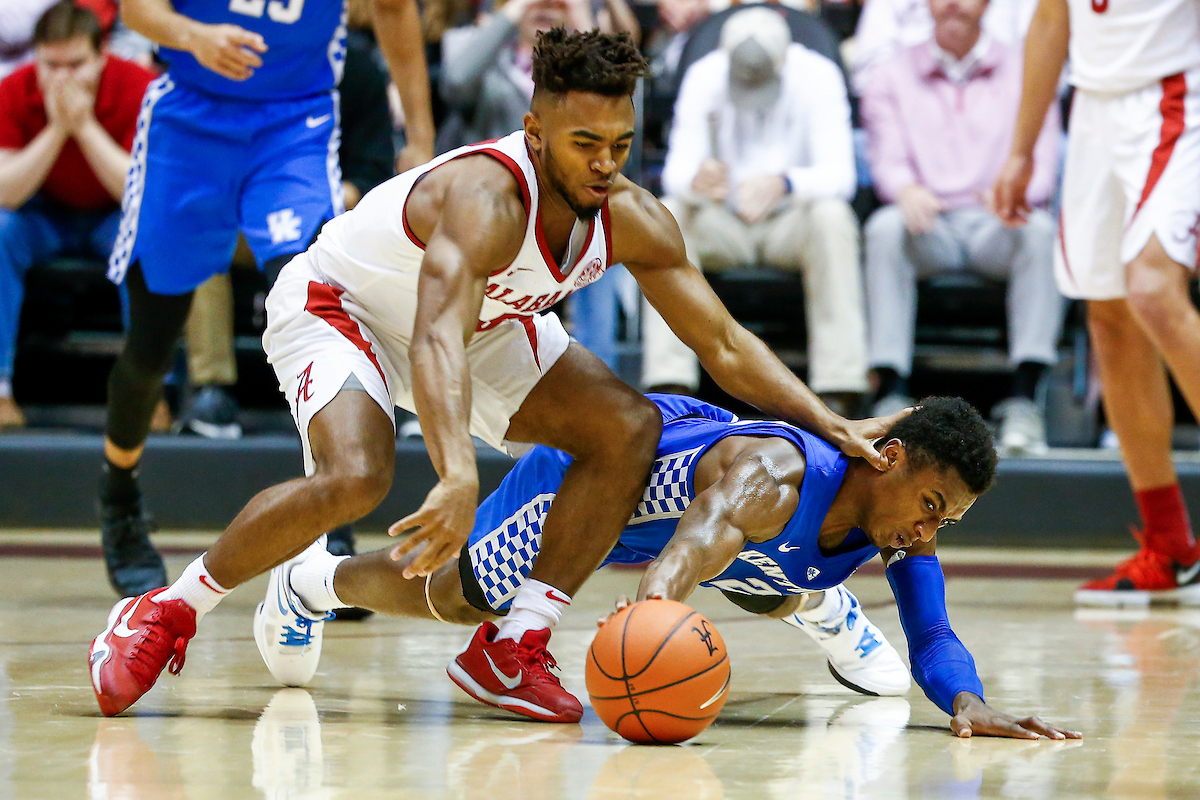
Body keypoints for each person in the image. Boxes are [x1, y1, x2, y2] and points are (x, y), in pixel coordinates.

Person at [88, 28, 907, 719]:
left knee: (628, 428)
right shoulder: (485, 196)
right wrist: (453, 475)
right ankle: (167, 609)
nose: (603, 165)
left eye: (619, 146)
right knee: (357, 478)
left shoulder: (628, 214)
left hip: (484, 330)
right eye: (585, 144)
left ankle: (513, 647)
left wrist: (825, 421)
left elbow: (724, 343)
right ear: (536, 130)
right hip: (346, 311)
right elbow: (432, 339)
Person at [267, 395, 1082, 739]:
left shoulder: (906, 517)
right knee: (459, 598)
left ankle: (810, 601)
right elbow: (681, 559)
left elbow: (932, 631)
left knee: (766, 577)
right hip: (594, 490)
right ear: (892, 460)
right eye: (932, 507)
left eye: (949, 520)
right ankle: (313, 582)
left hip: (735, 531)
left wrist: (969, 704)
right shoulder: (773, 479)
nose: (928, 530)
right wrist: (644, 643)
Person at [93, 0, 435, 599]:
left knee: (319, 312)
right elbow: (138, 11)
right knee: (150, 346)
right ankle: (118, 494)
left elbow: (393, 9)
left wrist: (421, 136)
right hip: (190, 122)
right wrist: (191, 35)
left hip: (293, 126)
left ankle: (332, 523)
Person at [991, 0, 1200, 605]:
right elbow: (1053, 18)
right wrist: (1021, 149)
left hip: (1179, 95)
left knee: (1154, 290)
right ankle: (1170, 547)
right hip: (1094, 110)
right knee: (1108, 315)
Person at [860, 0, 1062, 454]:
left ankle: (1025, 398)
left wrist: (1016, 192)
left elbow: (1045, 162)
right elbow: (886, 160)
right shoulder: (890, 73)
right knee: (884, 228)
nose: (953, 3)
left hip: (999, 219)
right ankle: (890, 391)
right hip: (929, 223)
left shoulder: (1027, 68)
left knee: (1041, 231)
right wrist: (905, 188)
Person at [646, 7, 869, 416]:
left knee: (832, 216)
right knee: (671, 213)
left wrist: (786, 182)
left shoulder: (818, 74)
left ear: (785, 59)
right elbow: (676, 172)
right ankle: (669, 382)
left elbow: (841, 176)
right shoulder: (704, 75)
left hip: (790, 223)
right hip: (723, 222)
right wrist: (697, 182)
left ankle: (840, 387)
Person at [0, 1, 154, 432]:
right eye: (52, 65)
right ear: (36, 58)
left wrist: (83, 126)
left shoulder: (138, 86)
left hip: (113, 215)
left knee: (150, 233)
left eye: (76, 64)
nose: (63, 77)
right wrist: (57, 129)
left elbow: (138, 195)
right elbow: (5, 191)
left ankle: (147, 393)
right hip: (42, 215)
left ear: (102, 54)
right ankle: (0, 390)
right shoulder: (14, 88)